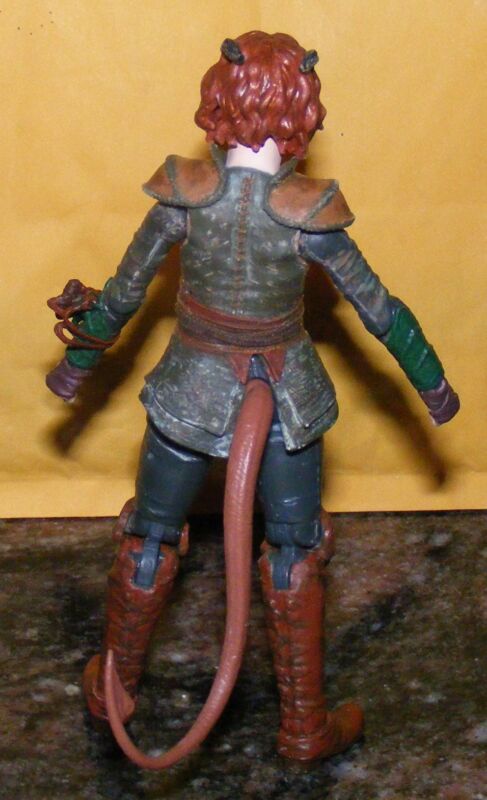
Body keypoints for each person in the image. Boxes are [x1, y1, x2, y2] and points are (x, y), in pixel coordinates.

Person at [47, 31, 459, 764]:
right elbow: (379, 310)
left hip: (188, 392)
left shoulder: (182, 199)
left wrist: (76, 367)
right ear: (305, 112)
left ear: (216, 101)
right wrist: (432, 384)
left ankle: (114, 691)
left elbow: (121, 296)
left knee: (149, 538)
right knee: (294, 553)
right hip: (286, 400)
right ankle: (303, 727)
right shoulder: (309, 215)